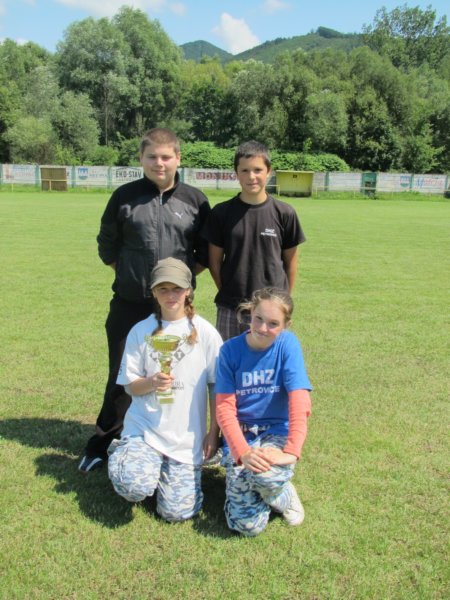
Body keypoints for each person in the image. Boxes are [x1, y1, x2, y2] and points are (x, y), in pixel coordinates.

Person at [79, 128, 211, 473]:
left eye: (166, 156)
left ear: (178, 158)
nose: (159, 163)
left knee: (176, 377)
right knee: (122, 375)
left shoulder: (196, 201)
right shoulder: (124, 197)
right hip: (129, 303)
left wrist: (177, 287)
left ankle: (171, 442)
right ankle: (103, 443)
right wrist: (130, 275)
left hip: (175, 309)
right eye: (152, 156)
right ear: (141, 159)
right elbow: (107, 245)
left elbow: (204, 253)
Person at [107, 257, 222, 522]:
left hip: (185, 439)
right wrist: (152, 383)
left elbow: (217, 387)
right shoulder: (140, 331)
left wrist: (213, 433)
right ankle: (127, 453)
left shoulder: (206, 333)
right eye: (163, 289)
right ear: (154, 292)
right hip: (145, 430)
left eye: (177, 288)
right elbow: (131, 387)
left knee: (176, 513)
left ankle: (163, 470)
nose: (171, 295)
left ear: (188, 290)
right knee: (132, 485)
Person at [215, 287, 312, 537]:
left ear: (286, 325)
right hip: (243, 436)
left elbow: (299, 399)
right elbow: (224, 409)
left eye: (273, 323)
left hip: (275, 432)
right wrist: (243, 452)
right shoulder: (229, 351)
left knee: (266, 476)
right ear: (250, 313)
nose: (262, 328)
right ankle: (261, 492)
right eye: (258, 318)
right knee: (247, 527)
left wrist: (291, 451)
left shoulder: (287, 344)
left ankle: (282, 493)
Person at [203, 140, 306, 341]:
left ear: (269, 171)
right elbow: (214, 262)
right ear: (236, 173)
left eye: (258, 170)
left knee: (269, 360)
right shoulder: (221, 213)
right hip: (231, 307)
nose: (251, 176)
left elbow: (291, 262)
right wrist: (227, 290)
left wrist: (283, 300)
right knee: (230, 358)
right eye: (245, 170)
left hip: (272, 309)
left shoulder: (285, 213)